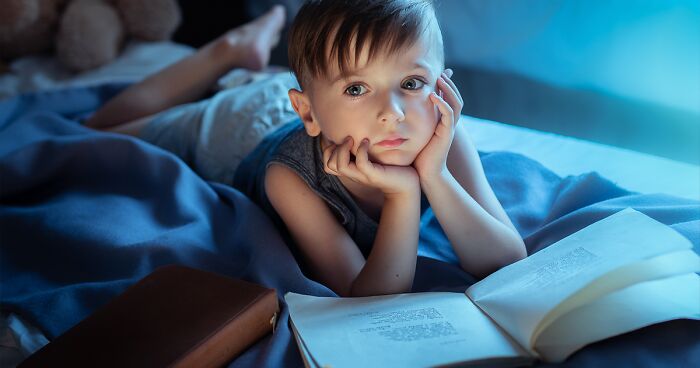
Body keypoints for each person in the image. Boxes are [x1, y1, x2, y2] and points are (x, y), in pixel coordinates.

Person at [86, 0, 527, 297]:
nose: (392, 113)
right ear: (309, 111)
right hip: (239, 128)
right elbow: (368, 297)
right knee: (103, 130)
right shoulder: (290, 178)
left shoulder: (443, 137)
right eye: (358, 88)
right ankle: (227, 50)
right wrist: (403, 195)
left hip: (304, 104)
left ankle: (256, 68)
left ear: (443, 88)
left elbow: (506, 260)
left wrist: (435, 175)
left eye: (411, 83)